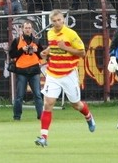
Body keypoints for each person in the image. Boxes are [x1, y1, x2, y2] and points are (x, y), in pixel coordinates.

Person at [35, 10, 95, 147]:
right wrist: (47, 51)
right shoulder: (50, 33)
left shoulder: (71, 34)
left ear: (63, 20)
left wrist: (65, 48)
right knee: (48, 103)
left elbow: (82, 53)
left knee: (76, 104)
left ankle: (88, 116)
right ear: (51, 22)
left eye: (59, 20)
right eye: (54, 21)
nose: (57, 23)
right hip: (53, 73)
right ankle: (44, 137)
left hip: (68, 73)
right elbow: (53, 46)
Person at [9, 20, 44, 121]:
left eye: (29, 28)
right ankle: (17, 116)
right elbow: (11, 54)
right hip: (21, 71)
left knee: (38, 94)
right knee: (19, 96)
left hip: (34, 71)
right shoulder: (16, 41)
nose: (28, 30)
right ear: (22, 29)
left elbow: (42, 55)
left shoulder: (36, 41)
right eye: (26, 28)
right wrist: (22, 50)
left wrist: (37, 51)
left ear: (32, 29)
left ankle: (41, 116)